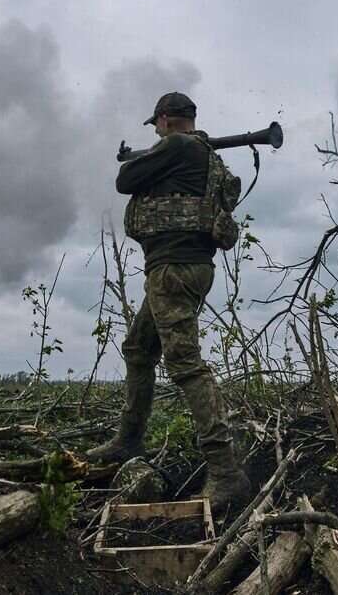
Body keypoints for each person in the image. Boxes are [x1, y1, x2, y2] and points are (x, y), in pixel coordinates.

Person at [87, 92, 251, 513]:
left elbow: (125, 181)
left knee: (185, 364)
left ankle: (226, 471)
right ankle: (128, 442)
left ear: (164, 120)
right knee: (140, 350)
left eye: (156, 125)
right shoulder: (205, 155)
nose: (156, 131)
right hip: (185, 269)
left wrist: (146, 156)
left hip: (174, 269)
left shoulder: (177, 146)